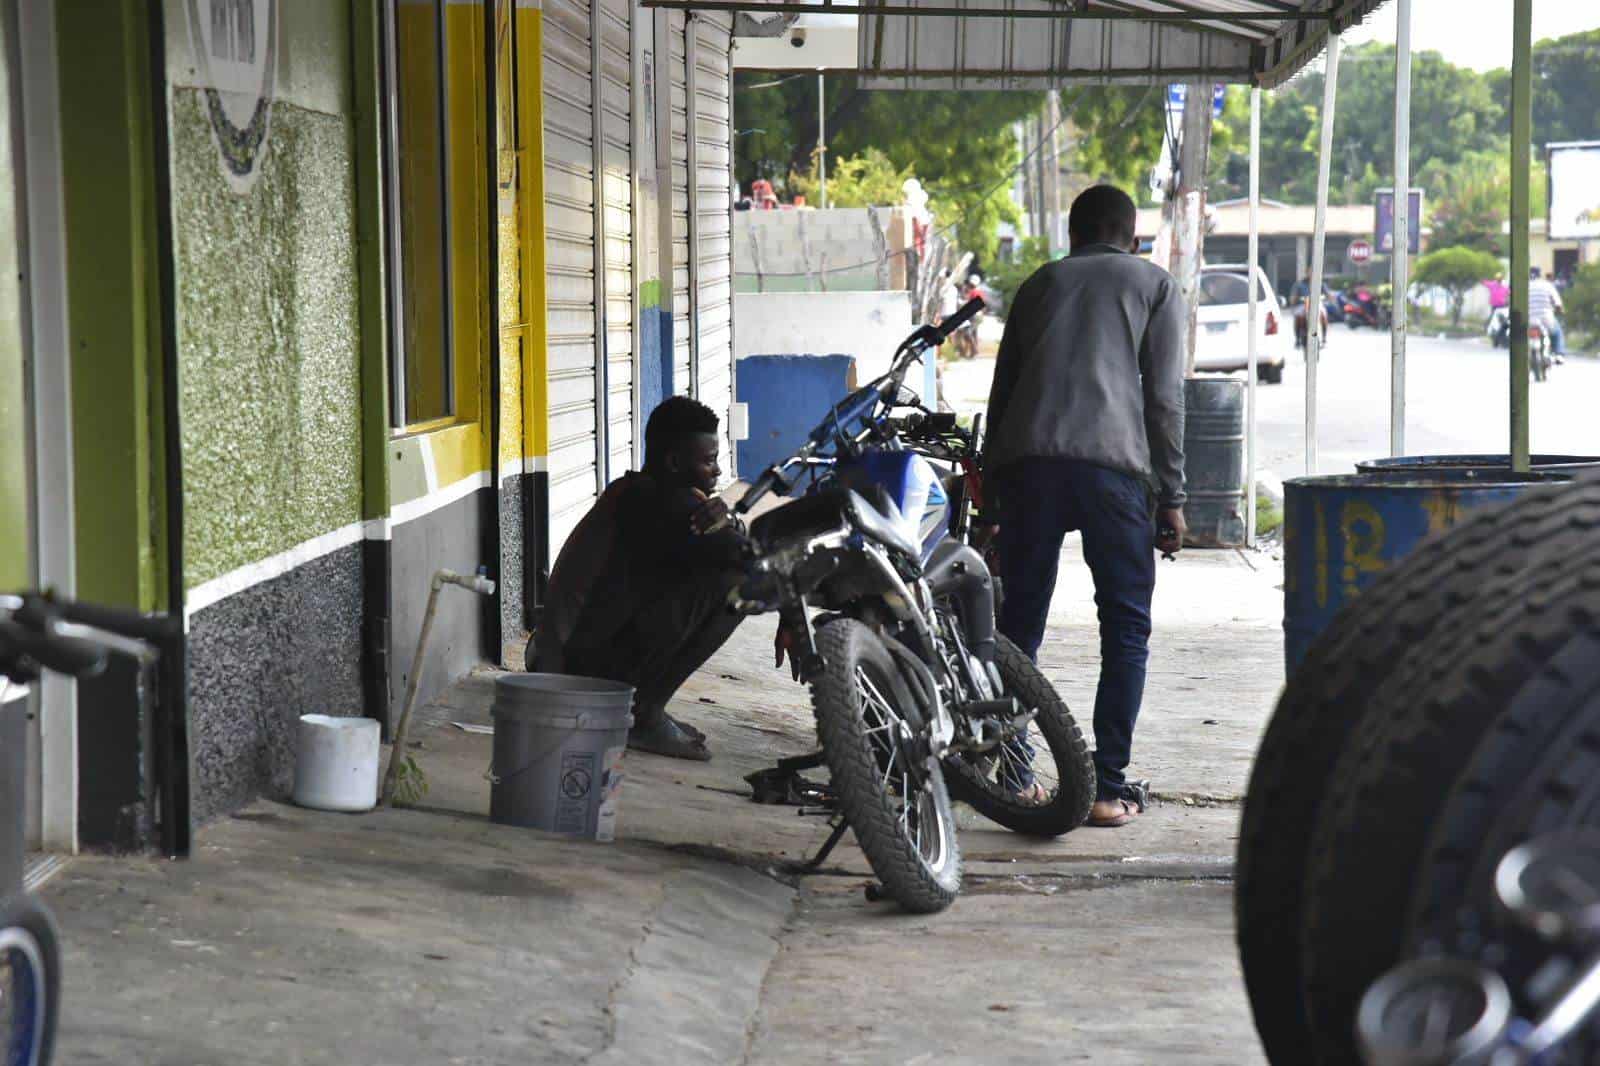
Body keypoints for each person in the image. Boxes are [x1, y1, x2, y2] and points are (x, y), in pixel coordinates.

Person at [982, 184, 1186, 829]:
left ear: (1072, 235)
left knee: (1016, 631)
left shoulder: (1040, 284)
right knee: (1125, 630)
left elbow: (1002, 390)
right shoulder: (1155, 285)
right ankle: (1106, 788)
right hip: (1114, 473)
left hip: (1029, 469)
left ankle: (1015, 776)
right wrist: (1174, 497)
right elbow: (1165, 400)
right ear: (1132, 236)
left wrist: (990, 489)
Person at [530, 397, 747, 761]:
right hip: (570, 674)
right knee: (737, 586)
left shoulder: (634, 490)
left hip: (557, 660)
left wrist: (731, 522)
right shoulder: (669, 506)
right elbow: (750, 558)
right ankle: (642, 713)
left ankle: (641, 704)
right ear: (675, 462)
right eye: (708, 461)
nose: (718, 472)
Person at [1529, 266, 1566, 362]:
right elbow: (1558, 303)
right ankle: (1559, 354)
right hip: (1546, 318)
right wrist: (1560, 310)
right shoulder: (1547, 285)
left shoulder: (1524, 286)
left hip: (1528, 319)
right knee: (1557, 333)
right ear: (1540, 274)